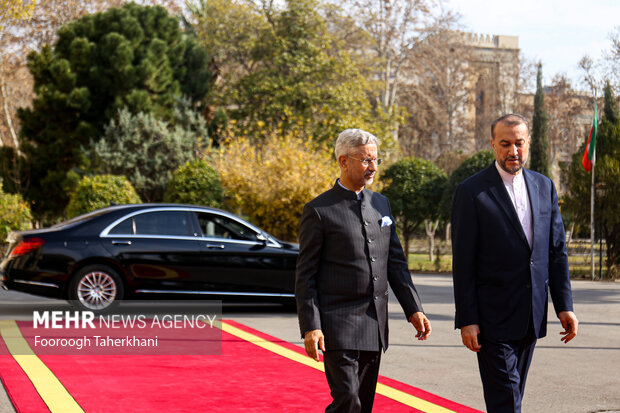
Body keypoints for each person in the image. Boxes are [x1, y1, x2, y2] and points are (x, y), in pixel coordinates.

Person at [295, 128, 431, 413]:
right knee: (348, 400)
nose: (373, 167)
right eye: (366, 160)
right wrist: (311, 325)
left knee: (363, 405)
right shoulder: (319, 210)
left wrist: (413, 308)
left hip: (374, 322)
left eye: (376, 160)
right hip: (337, 323)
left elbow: (395, 263)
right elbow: (305, 275)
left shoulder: (381, 204)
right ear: (343, 161)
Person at [451, 114, 579, 413]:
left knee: (509, 397)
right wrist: (467, 318)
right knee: (508, 399)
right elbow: (464, 261)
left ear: (528, 143)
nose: (513, 151)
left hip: (531, 316)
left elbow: (556, 251)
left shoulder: (544, 186)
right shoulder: (471, 192)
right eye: (505, 144)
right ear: (493, 144)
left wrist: (564, 305)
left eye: (519, 143)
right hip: (490, 320)